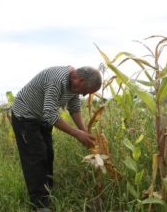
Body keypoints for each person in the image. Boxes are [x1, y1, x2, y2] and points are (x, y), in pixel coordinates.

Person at [11, 65, 102, 211]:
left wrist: (84, 130)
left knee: (48, 153)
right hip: (25, 116)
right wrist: (77, 134)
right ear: (80, 80)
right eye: (85, 91)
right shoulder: (57, 80)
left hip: (41, 117)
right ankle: (39, 204)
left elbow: (74, 107)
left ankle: (47, 191)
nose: (84, 95)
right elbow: (50, 113)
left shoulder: (74, 85)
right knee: (36, 157)